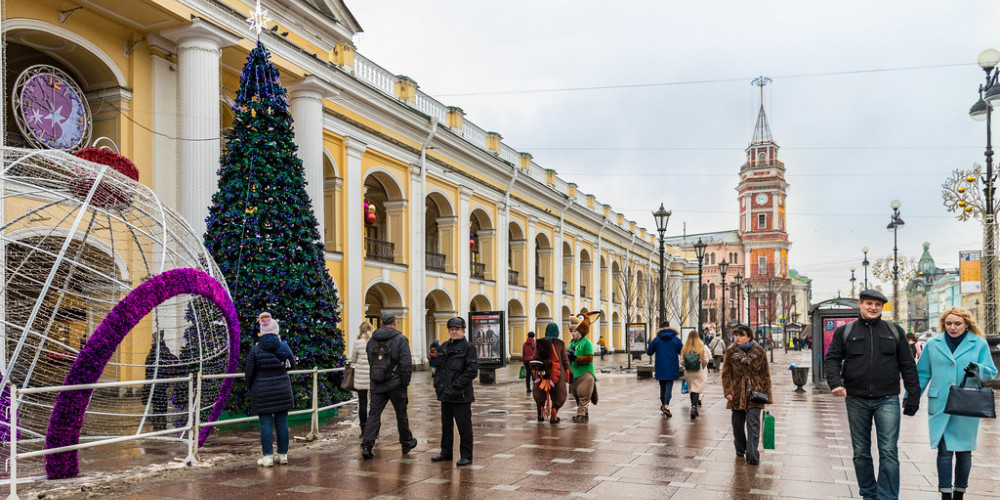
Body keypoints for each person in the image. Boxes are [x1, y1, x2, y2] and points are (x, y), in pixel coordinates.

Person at [823, 289, 920, 500]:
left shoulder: (894, 331)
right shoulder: (846, 332)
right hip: (856, 399)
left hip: (887, 399)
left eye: (878, 304)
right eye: (869, 303)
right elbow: (831, 359)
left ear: (882, 308)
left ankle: (887, 496)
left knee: (888, 451)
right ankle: (868, 493)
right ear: (860, 304)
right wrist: (835, 383)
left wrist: (913, 395)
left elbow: (908, 366)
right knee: (860, 451)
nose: (873, 308)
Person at [915, 307, 997, 500]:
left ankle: (959, 492)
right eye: (949, 323)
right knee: (943, 450)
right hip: (940, 403)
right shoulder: (933, 344)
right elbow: (922, 373)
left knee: (963, 452)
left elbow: (991, 371)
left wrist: (978, 368)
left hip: (966, 403)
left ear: (966, 324)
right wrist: (912, 397)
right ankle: (945, 494)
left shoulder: (978, 343)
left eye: (957, 323)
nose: (952, 327)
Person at [361, 312, 418, 460]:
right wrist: (404, 382)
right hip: (395, 383)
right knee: (401, 414)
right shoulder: (401, 339)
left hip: (377, 382)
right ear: (394, 323)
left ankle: (367, 445)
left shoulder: (372, 340)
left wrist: (377, 376)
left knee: (373, 414)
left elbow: (370, 360)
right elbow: (405, 364)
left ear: (381, 323)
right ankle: (406, 442)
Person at [245, 312, 296, 467]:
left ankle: (267, 457)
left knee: (265, 423)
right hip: (282, 388)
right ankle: (282, 455)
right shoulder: (283, 346)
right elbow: (292, 364)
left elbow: (249, 371)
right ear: (275, 330)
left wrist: (252, 386)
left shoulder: (255, 350)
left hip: (262, 390)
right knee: (282, 422)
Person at [431, 317, 479, 466]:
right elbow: (438, 369)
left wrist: (455, 387)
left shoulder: (469, 348)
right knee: (446, 426)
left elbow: (471, 372)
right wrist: (438, 385)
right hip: (445, 394)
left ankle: (466, 455)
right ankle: (445, 452)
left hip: (461, 395)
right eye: (452, 329)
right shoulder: (444, 346)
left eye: (457, 329)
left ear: (463, 331)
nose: (454, 332)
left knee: (464, 427)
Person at [722, 325, 772, 466]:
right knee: (737, 425)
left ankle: (752, 454)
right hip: (737, 394)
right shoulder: (731, 352)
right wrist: (728, 391)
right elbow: (726, 374)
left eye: (741, 335)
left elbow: (765, 375)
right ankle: (740, 448)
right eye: (736, 335)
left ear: (749, 337)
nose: (737, 338)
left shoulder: (759, 352)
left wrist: (767, 395)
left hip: (755, 394)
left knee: (753, 425)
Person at [532, 323, 571, 423]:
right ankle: (554, 413)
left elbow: (535, 358)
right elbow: (565, 360)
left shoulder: (540, 343)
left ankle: (540, 413)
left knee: (539, 392)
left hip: (542, 373)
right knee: (559, 393)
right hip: (557, 373)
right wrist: (568, 372)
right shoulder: (560, 343)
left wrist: (534, 372)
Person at [567, 309, 601, 423]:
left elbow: (589, 357)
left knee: (583, 394)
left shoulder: (587, 343)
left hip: (586, 374)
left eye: (575, 331)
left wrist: (575, 359)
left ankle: (581, 414)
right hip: (574, 374)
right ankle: (584, 412)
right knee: (576, 395)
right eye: (572, 331)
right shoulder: (572, 343)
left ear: (581, 331)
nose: (573, 333)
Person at [142, 331, 180, 431]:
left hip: (156, 382)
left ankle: (158, 422)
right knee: (161, 401)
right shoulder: (163, 350)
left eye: (152, 339)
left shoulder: (155, 351)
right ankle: (160, 420)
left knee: (158, 402)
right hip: (162, 382)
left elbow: (149, 367)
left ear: (155, 339)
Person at [646, 320, 683, 417]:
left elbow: (649, 352)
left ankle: (663, 405)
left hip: (660, 367)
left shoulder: (657, 340)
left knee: (662, 387)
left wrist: (650, 344)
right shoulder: (675, 339)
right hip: (672, 367)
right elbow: (682, 351)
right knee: (669, 387)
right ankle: (666, 406)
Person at [350, 322, 373, 438]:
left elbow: (353, 359)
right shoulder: (374, 342)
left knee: (362, 404)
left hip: (360, 377)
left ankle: (363, 430)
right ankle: (374, 429)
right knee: (374, 404)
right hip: (373, 376)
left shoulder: (358, 343)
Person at [681, 330, 711, 419]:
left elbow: (682, 361)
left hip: (689, 372)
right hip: (699, 371)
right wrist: (702, 366)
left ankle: (693, 406)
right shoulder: (702, 347)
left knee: (692, 389)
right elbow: (706, 360)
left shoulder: (685, 348)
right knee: (697, 390)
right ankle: (694, 407)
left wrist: (687, 365)